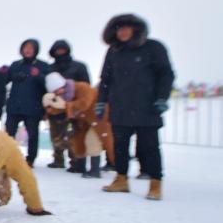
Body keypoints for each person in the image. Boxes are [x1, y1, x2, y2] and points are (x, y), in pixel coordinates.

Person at [97, 14, 174, 200]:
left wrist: (162, 98)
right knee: (120, 147)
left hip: (147, 107)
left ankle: (155, 184)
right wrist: (101, 101)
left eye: (126, 28)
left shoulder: (153, 47)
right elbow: (105, 80)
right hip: (120, 108)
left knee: (150, 147)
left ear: (136, 29)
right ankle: (121, 179)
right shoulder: (113, 51)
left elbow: (166, 74)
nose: (122, 32)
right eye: (119, 28)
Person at [43, 73, 114, 178]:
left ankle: (95, 170)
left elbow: (85, 103)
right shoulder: (62, 97)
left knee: (92, 141)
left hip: (98, 118)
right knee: (78, 140)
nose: (58, 93)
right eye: (55, 92)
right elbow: (60, 108)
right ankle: (80, 166)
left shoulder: (82, 87)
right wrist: (50, 110)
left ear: (63, 85)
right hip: (83, 122)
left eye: (58, 89)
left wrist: (67, 105)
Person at [3, 39, 50, 167]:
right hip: (14, 106)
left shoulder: (43, 65)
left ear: (35, 50)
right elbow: (5, 81)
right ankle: (8, 157)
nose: (28, 50)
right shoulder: (15, 64)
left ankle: (30, 159)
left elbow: (48, 84)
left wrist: (38, 75)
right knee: (9, 134)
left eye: (30, 47)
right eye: (25, 47)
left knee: (33, 135)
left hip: (33, 107)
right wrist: (3, 73)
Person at [46, 40, 91, 171]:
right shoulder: (50, 68)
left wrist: (78, 102)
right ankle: (58, 159)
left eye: (62, 50)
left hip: (75, 106)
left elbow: (86, 85)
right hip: (56, 106)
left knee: (75, 134)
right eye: (57, 50)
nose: (60, 52)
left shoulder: (79, 66)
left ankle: (76, 160)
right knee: (56, 133)